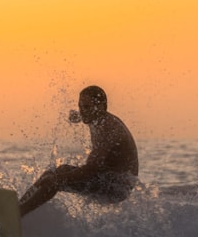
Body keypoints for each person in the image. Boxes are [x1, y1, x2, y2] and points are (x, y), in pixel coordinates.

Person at [18, 85, 138, 216]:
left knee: (54, 179)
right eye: (80, 106)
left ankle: (18, 214)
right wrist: (78, 116)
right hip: (105, 177)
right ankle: (18, 207)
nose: (82, 111)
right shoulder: (96, 117)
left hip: (116, 188)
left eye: (86, 107)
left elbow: (90, 170)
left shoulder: (108, 130)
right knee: (54, 173)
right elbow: (86, 115)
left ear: (102, 107)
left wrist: (57, 179)